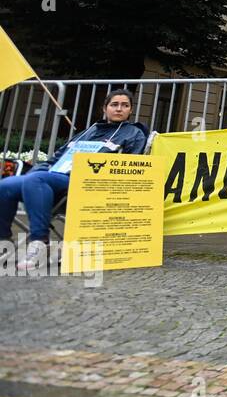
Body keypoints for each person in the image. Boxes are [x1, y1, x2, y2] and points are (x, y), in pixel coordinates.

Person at [0, 89, 149, 271]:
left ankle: (40, 242)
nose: (119, 109)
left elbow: (130, 169)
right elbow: (55, 158)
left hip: (88, 184)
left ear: (130, 110)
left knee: (37, 180)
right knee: (6, 185)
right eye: (114, 104)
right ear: (105, 108)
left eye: (125, 105)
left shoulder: (134, 133)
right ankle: (3, 242)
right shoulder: (88, 131)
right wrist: (35, 173)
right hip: (54, 176)